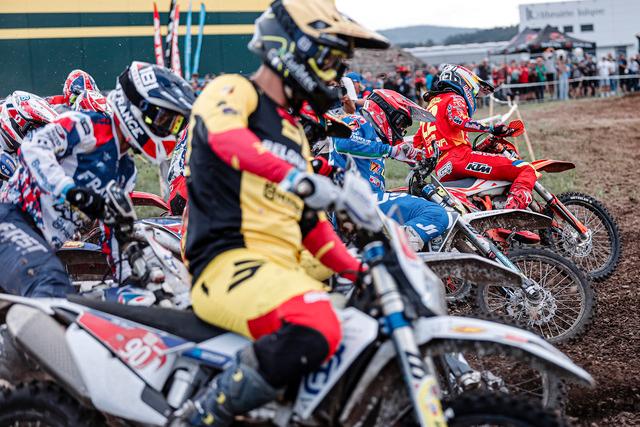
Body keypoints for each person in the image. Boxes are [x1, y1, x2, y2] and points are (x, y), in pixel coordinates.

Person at [170, 1, 389, 425]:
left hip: (280, 269)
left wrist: (360, 269)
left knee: (361, 329)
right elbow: (226, 139)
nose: (335, 76)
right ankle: (199, 416)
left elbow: (312, 228)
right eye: (330, 61)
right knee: (317, 322)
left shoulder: (292, 133)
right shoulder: (234, 90)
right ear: (291, 49)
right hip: (226, 262)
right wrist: (298, 178)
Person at [0, 61, 194, 298]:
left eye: (176, 124)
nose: (171, 130)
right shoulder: (85, 125)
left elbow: (113, 234)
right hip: (11, 219)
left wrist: (136, 278)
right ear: (138, 109)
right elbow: (33, 149)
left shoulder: (125, 172)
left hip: (44, 242)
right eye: (167, 121)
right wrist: (70, 191)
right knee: (52, 287)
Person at [329, 89, 450, 251]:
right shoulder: (356, 120)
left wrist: (418, 159)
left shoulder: (375, 141)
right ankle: (399, 253)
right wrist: (390, 151)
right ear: (385, 111)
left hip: (357, 204)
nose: (401, 130)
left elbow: (395, 151)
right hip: (357, 201)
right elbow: (343, 143)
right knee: (435, 213)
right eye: (401, 123)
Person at [414, 64, 537, 210]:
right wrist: (492, 128)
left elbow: (417, 144)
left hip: (441, 170)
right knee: (525, 169)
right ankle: (514, 212)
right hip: (459, 159)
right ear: (464, 82)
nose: (474, 96)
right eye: (474, 91)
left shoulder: (429, 108)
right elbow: (458, 120)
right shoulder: (454, 97)